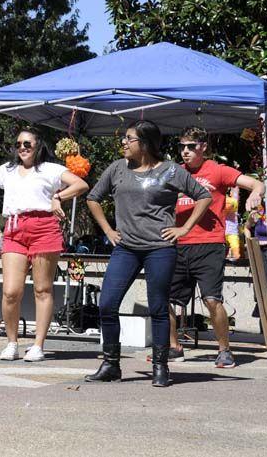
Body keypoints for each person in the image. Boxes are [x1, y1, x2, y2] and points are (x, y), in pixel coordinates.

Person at [86, 120, 211, 387]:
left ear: (144, 143)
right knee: (107, 304)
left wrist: (184, 228)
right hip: (126, 248)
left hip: (160, 248)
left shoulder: (170, 170)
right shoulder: (118, 168)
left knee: (158, 308)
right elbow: (93, 198)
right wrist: (108, 230)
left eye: (128, 139)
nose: (123, 143)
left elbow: (203, 196)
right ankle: (111, 364)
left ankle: (160, 366)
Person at [0, 126, 89, 362]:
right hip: (15, 228)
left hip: (44, 227)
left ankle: (38, 345)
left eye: (27, 144)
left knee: (42, 289)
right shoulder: (8, 170)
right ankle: (12, 342)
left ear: (38, 146)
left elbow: (81, 185)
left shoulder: (50, 169)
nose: (22, 148)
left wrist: (59, 197)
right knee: (10, 291)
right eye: (18, 144)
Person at [165, 127, 264, 368]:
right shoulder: (174, 172)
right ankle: (173, 347)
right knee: (165, 300)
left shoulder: (218, 171)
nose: (185, 151)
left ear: (203, 146)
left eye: (191, 146)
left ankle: (224, 350)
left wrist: (256, 195)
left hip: (209, 245)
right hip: (178, 245)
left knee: (211, 300)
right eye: (181, 147)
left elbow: (257, 183)